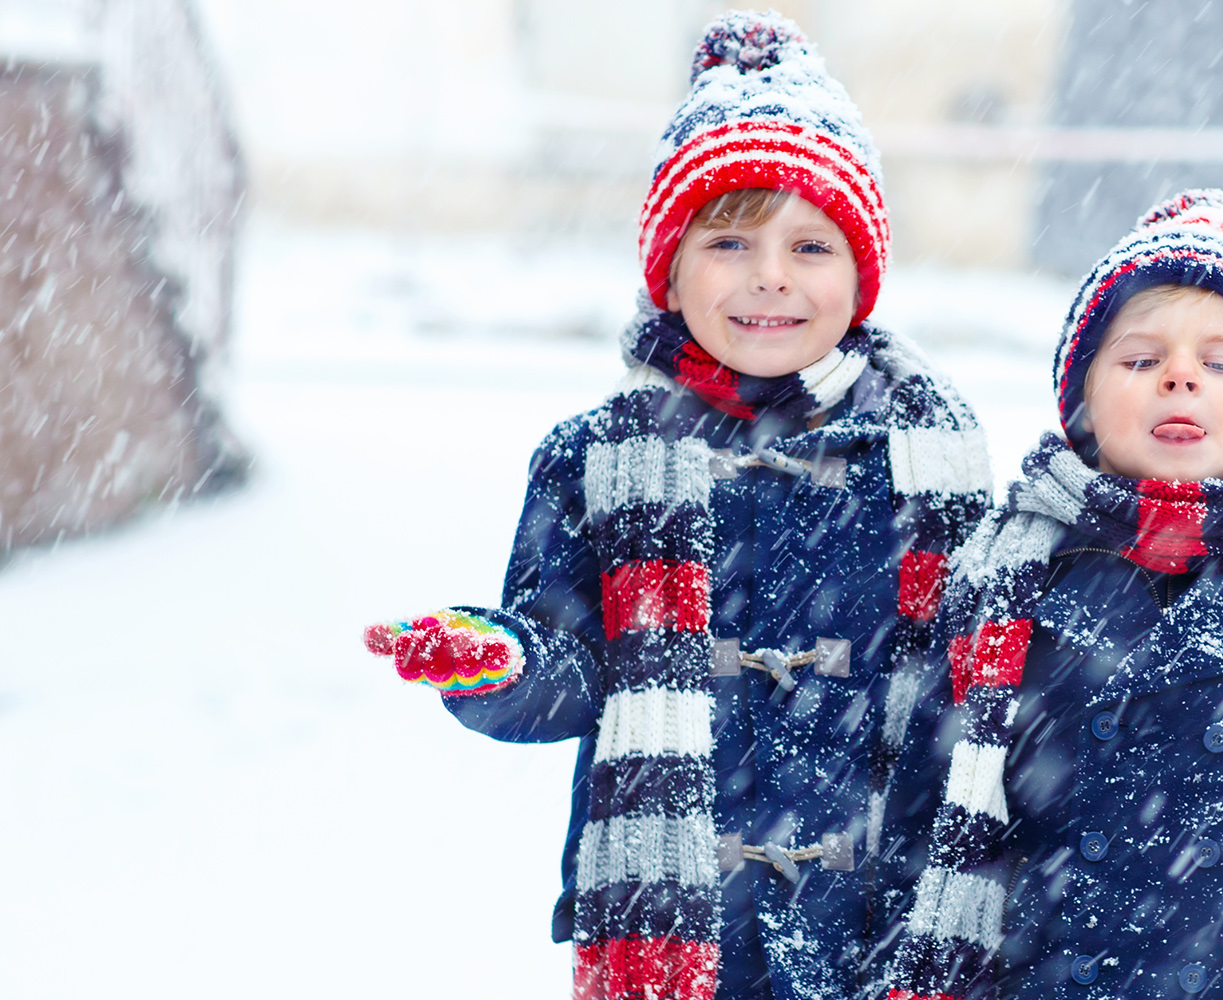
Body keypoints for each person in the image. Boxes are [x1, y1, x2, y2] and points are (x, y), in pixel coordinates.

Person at [360, 12, 990, 1000]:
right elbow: (574, 669)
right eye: (730, 241)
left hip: (876, 924)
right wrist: (504, 663)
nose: (770, 276)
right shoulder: (598, 457)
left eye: (812, 245)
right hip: (678, 929)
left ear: (862, 272)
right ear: (670, 269)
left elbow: (973, 692)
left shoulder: (926, 459)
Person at [884, 190, 1223, 1000]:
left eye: (1221, 363)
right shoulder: (1008, 575)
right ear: (1083, 405)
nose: (1180, 378)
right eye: (1139, 360)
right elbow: (919, 820)